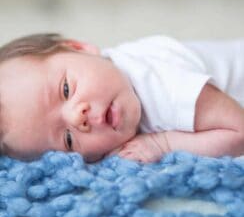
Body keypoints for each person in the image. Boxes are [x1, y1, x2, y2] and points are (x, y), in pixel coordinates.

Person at [0, 33, 243, 163]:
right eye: (68, 140)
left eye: (66, 90)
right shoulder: (110, 79)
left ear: (81, 48)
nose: (77, 117)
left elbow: (239, 132)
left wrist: (162, 145)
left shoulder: (162, 85)